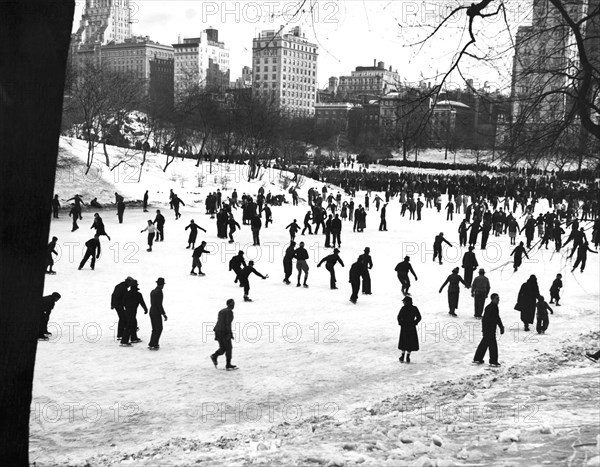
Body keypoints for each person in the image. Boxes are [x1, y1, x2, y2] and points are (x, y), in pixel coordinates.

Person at [472, 293, 504, 367]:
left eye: (498, 298)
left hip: (491, 329)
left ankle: (478, 358)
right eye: (497, 298)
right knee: (492, 345)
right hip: (489, 329)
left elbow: (497, 318)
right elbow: (485, 319)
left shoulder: (495, 307)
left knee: (484, 344)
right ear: (492, 299)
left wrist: (501, 326)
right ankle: (493, 361)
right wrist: (484, 329)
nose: (498, 300)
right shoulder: (489, 307)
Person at [210, 299, 237, 370]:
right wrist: (229, 334)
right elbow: (227, 323)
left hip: (217, 330)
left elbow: (219, 321)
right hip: (223, 332)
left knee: (223, 348)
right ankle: (228, 364)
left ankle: (214, 356)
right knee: (229, 348)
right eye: (233, 304)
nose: (234, 305)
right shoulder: (229, 312)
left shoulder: (221, 311)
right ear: (231, 305)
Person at [120, 280, 148, 346]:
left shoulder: (127, 294)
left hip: (127, 311)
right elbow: (142, 302)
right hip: (132, 312)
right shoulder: (138, 294)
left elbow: (123, 302)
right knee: (129, 326)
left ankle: (133, 338)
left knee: (133, 324)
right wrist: (145, 309)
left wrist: (126, 307)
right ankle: (124, 341)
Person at [397, 296, 422, 363]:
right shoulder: (414, 308)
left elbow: (399, 317)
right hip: (411, 327)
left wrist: (401, 323)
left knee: (403, 342)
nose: (403, 302)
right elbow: (419, 317)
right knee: (410, 342)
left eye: (404, 301)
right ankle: (408, 356)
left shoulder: (403, 308)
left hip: (404, 327)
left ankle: (402, 356)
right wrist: (415, 322)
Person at [148, 278, 167, 350]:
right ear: (162, 285)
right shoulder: (159, 292)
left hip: (152, 311)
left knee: (154, 329)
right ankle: (154, 343)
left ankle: (152, 343)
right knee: (159, 328)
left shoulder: (152, 291)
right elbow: (159, 304)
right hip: (156, 312)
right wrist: (163, 314)